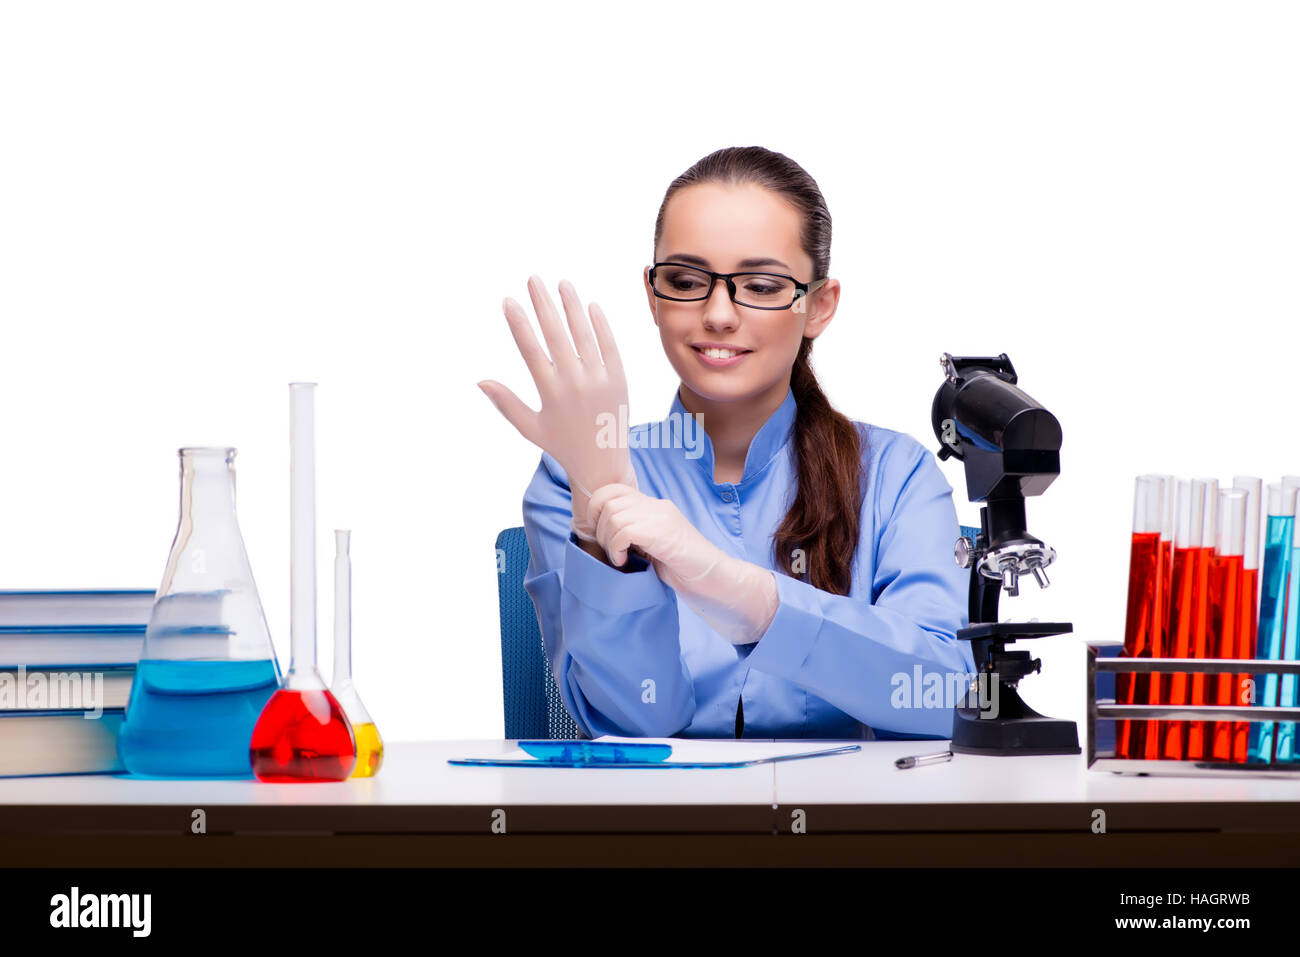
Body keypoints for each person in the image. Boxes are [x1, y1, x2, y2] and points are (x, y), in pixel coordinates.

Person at [478, 145, 975, 739]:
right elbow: (631, 723)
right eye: (686, 280)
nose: (717, 314)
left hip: (843, 828)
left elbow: (946, 699)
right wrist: (603, 530)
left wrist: (744, 594)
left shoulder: (895, 477)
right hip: (660, 828)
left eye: (761, 286)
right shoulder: (577, 471)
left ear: (818, 304)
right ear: (652, 294)